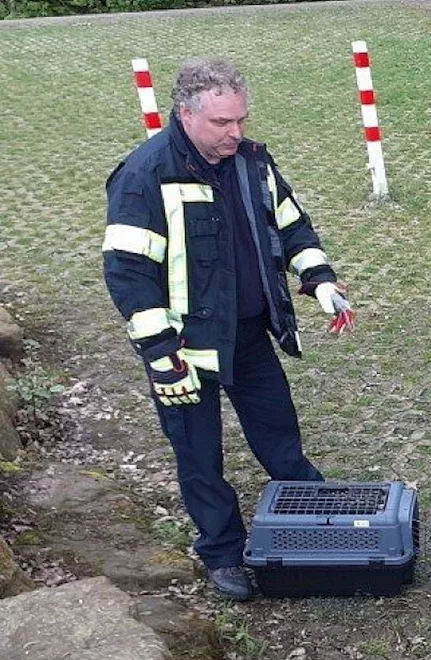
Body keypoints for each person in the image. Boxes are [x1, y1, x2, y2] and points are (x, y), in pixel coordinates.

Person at [102, 58, 353, 600]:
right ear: (186, 115)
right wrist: (160, 353)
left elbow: (291, 226)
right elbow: (127, 273)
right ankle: (222, 551)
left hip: (248, 333)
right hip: (184, 349)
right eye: (222, 124)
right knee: (199, 456)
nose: (236, 133)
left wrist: (321, 281)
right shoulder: (145, 175)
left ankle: (313, 515)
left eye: (241, 120)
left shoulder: (251, 162)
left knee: (279, 434)